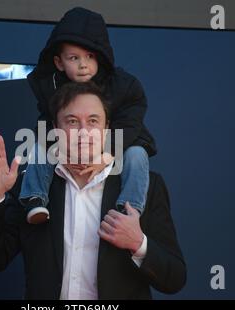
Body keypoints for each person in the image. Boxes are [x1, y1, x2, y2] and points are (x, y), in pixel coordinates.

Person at [0, 81, 186, 299]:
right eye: (72, 122)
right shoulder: (32, 188)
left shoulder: (146, 186)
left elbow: (174, 279)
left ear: (106, 129)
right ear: (56, 130)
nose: (83, 132)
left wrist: (138, 243)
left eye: (93, 121)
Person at [19, 7, 157, 224]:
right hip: (71, 144)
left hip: (122, 140)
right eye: (74, 58)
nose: (83, 65)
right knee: (38, 146)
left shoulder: (122, 84)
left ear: (100, 58)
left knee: (138, 155)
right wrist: (59, 150)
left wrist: (108, 152)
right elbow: (46, 123)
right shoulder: (52, 86)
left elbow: (131, 121)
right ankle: (34, 198)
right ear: (59, 62)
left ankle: (129, 208)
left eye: (90, 56)